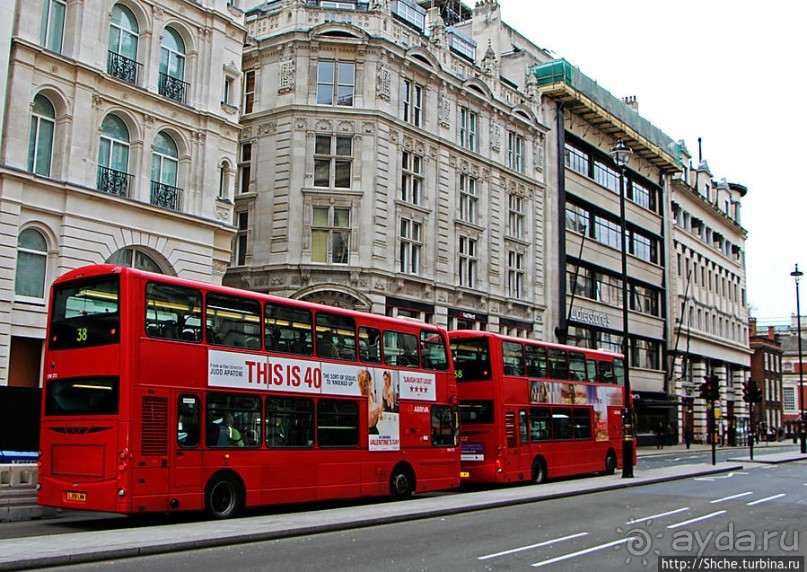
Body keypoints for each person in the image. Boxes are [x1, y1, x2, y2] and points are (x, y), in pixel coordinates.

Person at [358, 369, 382, 434]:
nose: (366, 385)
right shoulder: (375, 406)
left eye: (367, 381)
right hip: (371, 434)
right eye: (365, 382)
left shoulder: (375, 406)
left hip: (369, 433)